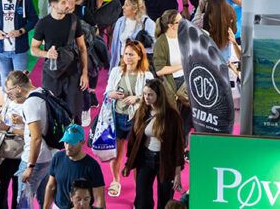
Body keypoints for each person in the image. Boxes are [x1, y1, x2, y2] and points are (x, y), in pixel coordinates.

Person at [31, 0, 89, 128]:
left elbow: (82, 48)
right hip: (52, 75)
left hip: (72, 73)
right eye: (63, 2)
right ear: (53, 4)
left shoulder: (73, 20)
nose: (68, 5)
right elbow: (33, 49)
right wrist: (46, 54)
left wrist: (85, 73)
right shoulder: (43, 24)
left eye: (67, 1)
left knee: (74, 113)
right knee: (51, 112)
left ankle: (74, 140)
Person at [123, 79, 185, 209]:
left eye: (150, 94)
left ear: (159, 95)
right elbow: (133, 138)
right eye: (145, 94)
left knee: (165, 199)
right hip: (145, 159)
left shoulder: (172, 116)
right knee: (142, 199)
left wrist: (177, 173)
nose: (146, 97)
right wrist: (129, 162)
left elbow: (178, 145)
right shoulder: (141, 112)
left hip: (166, 161)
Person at [105, 39, 150, 197]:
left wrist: (137, 98)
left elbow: (151, 97)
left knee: (135, 155)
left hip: (135, 119)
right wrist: (113, 94)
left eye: (132, 54)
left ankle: (139, 189)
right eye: (126, 54)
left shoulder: (146, 75)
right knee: (116, 153)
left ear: (139, 56)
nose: (128, 57)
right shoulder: (116, 71)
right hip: (116, 117)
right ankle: (115, 181)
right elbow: (107, 92)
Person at [5, 71, 54, 208]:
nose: (9, 95)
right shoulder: (45, 92)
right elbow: (43, 123)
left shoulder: (30, 103)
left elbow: (36, 138)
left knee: (24, 201)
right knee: (44, 199)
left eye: (9, 91)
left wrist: (30, 167)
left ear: (18, 88)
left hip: (34, 159)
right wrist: (24, 121)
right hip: (50, 155)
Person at [43, 125, 106, 209]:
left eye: (72, 143)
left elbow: (99, 198)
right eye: (66, 142)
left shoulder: (92, 166)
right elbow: (51, 186)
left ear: (82, 142)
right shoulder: (58, 157)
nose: (68, 147)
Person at [109, 0, 155, 67]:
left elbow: (155, 45)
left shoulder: (148, 23)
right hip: (122, 61)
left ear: (135, 9)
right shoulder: (120, 22)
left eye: (126, 5)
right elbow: (114, 46)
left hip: (140, 64)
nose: (123, 7)